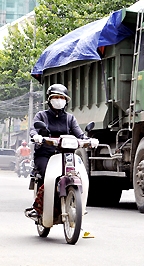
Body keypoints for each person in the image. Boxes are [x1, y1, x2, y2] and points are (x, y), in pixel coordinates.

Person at [25, 83, 98, 218]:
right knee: (46, 175)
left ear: (66, 101)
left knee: (77, 174)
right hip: (45, 154)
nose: (59, 100)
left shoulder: (70, 118)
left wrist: (89, 140)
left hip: (65, 155)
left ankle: (77, 203)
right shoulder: (42, 116)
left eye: (62, 97)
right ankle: (38, 208)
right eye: (55, 97)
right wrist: (36, 136)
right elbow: (33, 129)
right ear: (49, 100)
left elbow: (79, 134)